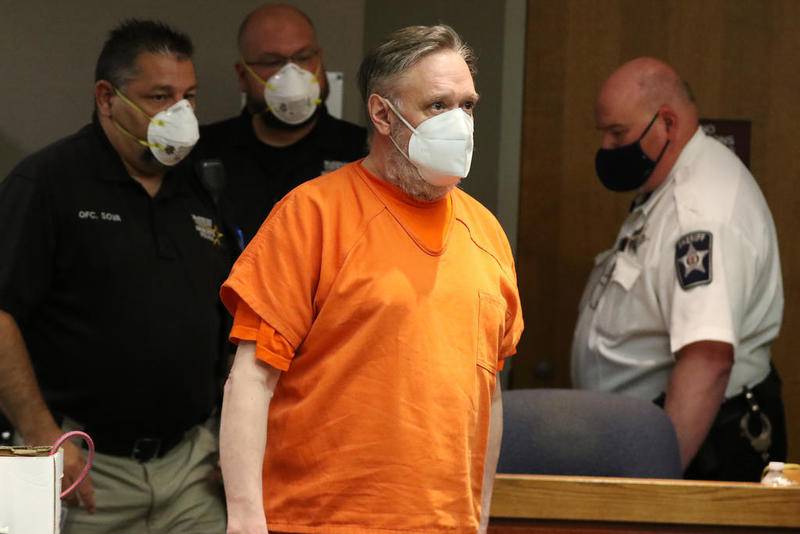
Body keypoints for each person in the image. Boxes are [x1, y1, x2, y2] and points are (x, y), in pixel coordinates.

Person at [219, 24, 524, 534]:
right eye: (437, 106)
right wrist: (245, 519)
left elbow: (487, 394)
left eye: (467, 106)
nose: (460, 124)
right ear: (382, 114)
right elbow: (251, 378)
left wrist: (479, 518)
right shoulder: (311, 215)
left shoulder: (487, 232)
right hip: (316, 521)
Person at [0, 20, 230, 532]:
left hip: (191, 466)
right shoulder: (48, 183)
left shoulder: (198, 191)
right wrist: (42, 437)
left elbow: (223, 320)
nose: (180, 114)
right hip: (87, 464)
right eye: (159, 96)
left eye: (188, 97)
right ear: (107, 98)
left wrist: (227, 436)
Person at [571, 57, 785, 482]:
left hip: (700, 448)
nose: (608, 149)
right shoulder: (666, 189)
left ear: (666, 123)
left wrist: (654, 489)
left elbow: (707, 360)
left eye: (618, 134)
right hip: (650, 435)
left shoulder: (700, 212)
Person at [200, 3, 368, 246]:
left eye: (303, 57)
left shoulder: (363, 154)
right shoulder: (205, 154)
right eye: (272, 61)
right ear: (242, 75)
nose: (292, 73)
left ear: (320, 59)